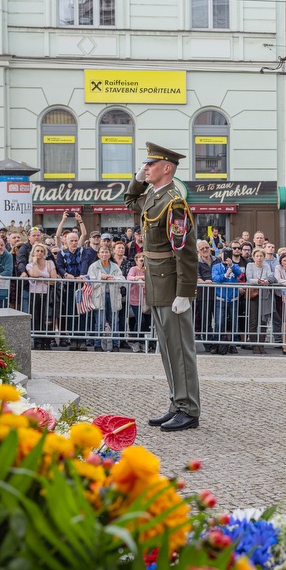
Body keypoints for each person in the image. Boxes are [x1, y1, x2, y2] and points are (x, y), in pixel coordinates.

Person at [125, 142, 200, 433]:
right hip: (156, 283)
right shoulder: (153, 197)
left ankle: (189, 408)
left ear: (166, 168)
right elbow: (130, 201)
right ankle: (177, 403)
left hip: (171, 285)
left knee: (180, 349)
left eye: (150, 164)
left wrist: (184, 292)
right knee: (168, 349)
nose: (145, 168)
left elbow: (186, 252)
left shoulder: (174, 203)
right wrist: (138, 180)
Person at [87, 244, 126, 352]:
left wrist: (113, 278)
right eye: (102, 252)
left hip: (113, 296)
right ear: (98, 254)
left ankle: (115, 345)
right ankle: (97, 344)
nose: (104, 254)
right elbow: (90, 281)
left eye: (106, 252)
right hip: (99, 296)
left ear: (110, 254)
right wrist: (101, 278)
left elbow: (122, 280)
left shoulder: (115, 266)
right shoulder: (94, 266)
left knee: (115, 321)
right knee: (99, 322)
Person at [210, 247, 242, 355]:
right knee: (219, 322)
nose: (226, 256)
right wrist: (225, 275)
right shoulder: (216, 267)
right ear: (220, 255)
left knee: (234, 322)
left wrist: (231, 265)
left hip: (233, 298)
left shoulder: (234, 266)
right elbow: (215, 279)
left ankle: (233, 344)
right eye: (224, 254)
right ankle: (217, 343)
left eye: (228, 254)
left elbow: (239, 274)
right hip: (221, 298)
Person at [25, 243, 57, 350]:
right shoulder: (30, 265)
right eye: (37, 251)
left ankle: (47, 341)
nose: (39, 253)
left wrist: (41, 279)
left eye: (42, 251)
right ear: (33, 253)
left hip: (47, 294)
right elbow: (34, 275)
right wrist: (34, 263)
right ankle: (37, 341)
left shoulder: (50, 263)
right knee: (36, 317)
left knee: (47, 317)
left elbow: (53, 280)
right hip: (34, 294)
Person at [246, 248, 275, 354]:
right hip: (253, 295)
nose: (259, 258)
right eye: (257, 256)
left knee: (263, 321)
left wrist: (266, 281)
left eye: (261, 256)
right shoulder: (250, 265)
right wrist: (259, 281)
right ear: (254, 257)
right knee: (253, 321)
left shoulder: (266, 266)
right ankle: (254, 345)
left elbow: (271, 276)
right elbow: (249, 278)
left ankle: (261, 345)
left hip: (264, 296)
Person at [127, 252, 150, 353]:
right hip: (135, 299)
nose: (142, 262)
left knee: (147, 322)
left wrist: (144, 279)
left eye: (144, 260)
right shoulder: (134, 269)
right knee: (140, 320)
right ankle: (136, 341)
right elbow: (129, 277)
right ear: (136, 261)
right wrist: (137, 278)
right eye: (140, 260)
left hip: (147, 299)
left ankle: (142, 341)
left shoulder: (148, 270)